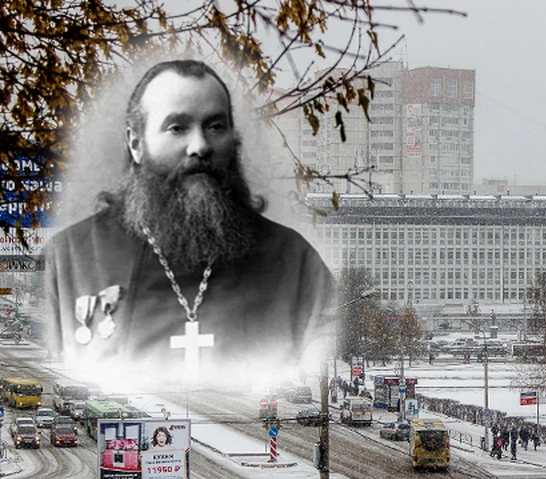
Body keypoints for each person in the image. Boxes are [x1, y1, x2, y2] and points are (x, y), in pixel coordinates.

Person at [45, 59, 335, 385]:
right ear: (136, 144)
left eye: (215, 126)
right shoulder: (70, 256)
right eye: (177, 128)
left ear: (232, 140)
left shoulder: (295, 261)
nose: (200, 146)